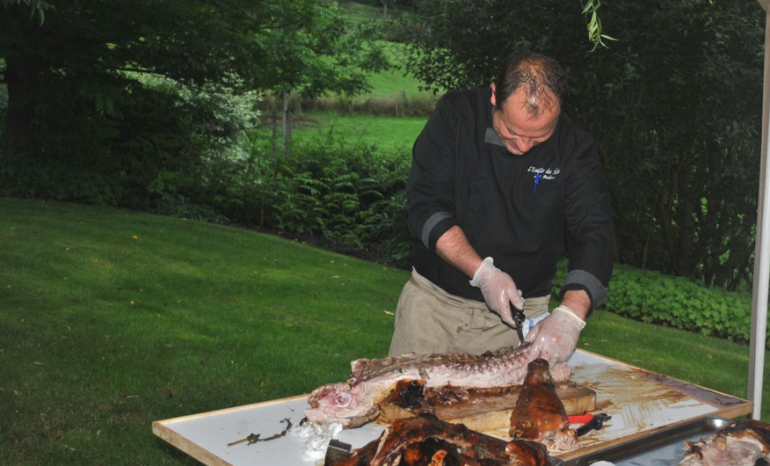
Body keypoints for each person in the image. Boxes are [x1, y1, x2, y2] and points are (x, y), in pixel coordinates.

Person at [388, 52, 613, 366]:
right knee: (407, 397)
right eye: (512, 132)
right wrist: (483, 273)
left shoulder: (574, 149)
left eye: (539, 137)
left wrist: (570, 315)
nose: (523, 146)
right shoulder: (457, 116)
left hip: (519, 324)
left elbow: (594, 232)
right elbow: (425, 205)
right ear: (495, 95)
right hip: (433, 310)